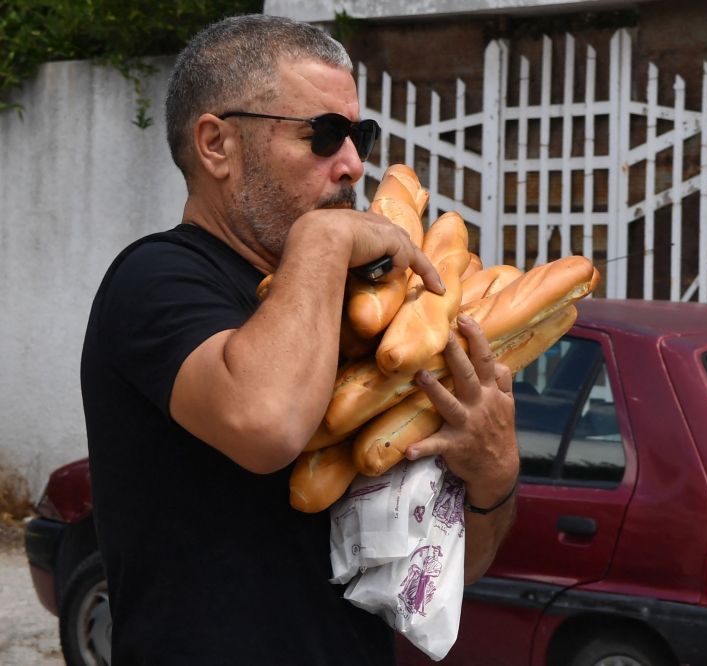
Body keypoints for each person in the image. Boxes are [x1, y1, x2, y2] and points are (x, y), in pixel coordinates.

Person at [80, 14, 519, 665]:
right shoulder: (155, 281)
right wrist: (325, 236)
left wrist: (494, 479)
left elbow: (454, 568)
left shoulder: (363, 312)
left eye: (360, 134)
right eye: (325, 135)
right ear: (216, 145)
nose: (353, 164)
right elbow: (267, 422)